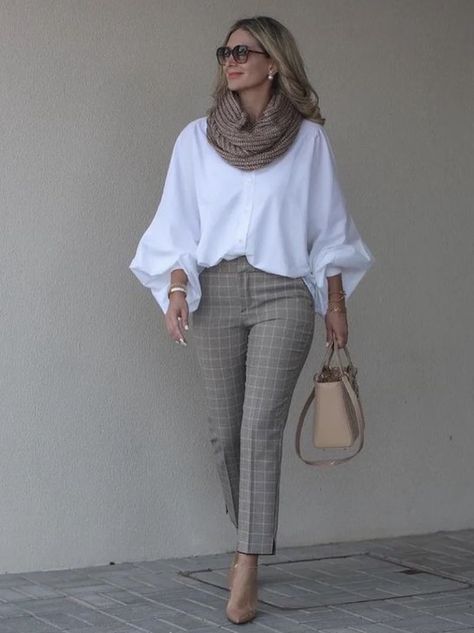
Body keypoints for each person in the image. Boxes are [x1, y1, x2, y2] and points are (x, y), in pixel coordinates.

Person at [129, 15, 375, 624]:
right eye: (226, 52)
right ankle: (251, 535)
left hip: (282, 293)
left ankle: (247, 561)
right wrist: (176, 287)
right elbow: (177, 223)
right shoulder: (196, 140)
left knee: (260, 425)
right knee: (225, 432)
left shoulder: (308, 142)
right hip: (214, 292)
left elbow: (330, 229)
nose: (232, 60)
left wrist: (336, 305)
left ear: (274, 63)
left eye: (244, 51)